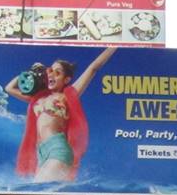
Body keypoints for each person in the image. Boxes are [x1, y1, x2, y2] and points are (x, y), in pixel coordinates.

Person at [8, 46, 116, 182]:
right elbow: (10, 88)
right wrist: (31, 72)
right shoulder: (38, 98)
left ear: (66, 79)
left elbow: (93, 68)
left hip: (57, 148)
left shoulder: (65, 96)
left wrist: (115, 45)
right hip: (42, 153)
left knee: (39, 187)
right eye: (50, 71)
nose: (51, 74)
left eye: (57, 73)